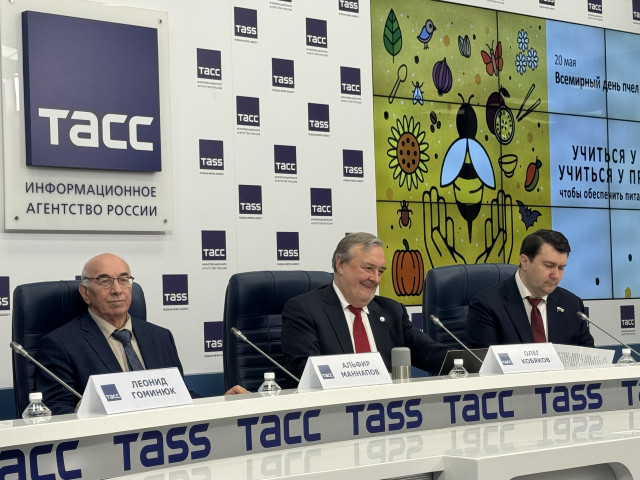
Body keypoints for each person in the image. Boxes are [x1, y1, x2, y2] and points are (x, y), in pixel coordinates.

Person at [35, 253, 247, 415]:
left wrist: (221, 404)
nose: (117, 289)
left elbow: (178, 395)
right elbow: (56, 411)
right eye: (105, 281)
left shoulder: (160, 337)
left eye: (124, 280)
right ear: (85, 292)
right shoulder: (61, 344)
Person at [281, 232, 450, 383]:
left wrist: (463, 361)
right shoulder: (305, 310)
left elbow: (429, 352)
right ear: (340, 264)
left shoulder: (392, 311)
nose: (376, 279)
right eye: (369, 268)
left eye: (380, 271)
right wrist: (375, 377)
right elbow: (306, 373)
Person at [465, 229, 594, 348]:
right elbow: (484, 362)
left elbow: (588, 357)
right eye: (549, 265)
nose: (556, 275)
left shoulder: (572, 305)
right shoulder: (487, 305)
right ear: (525, 262)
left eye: (561, 268)